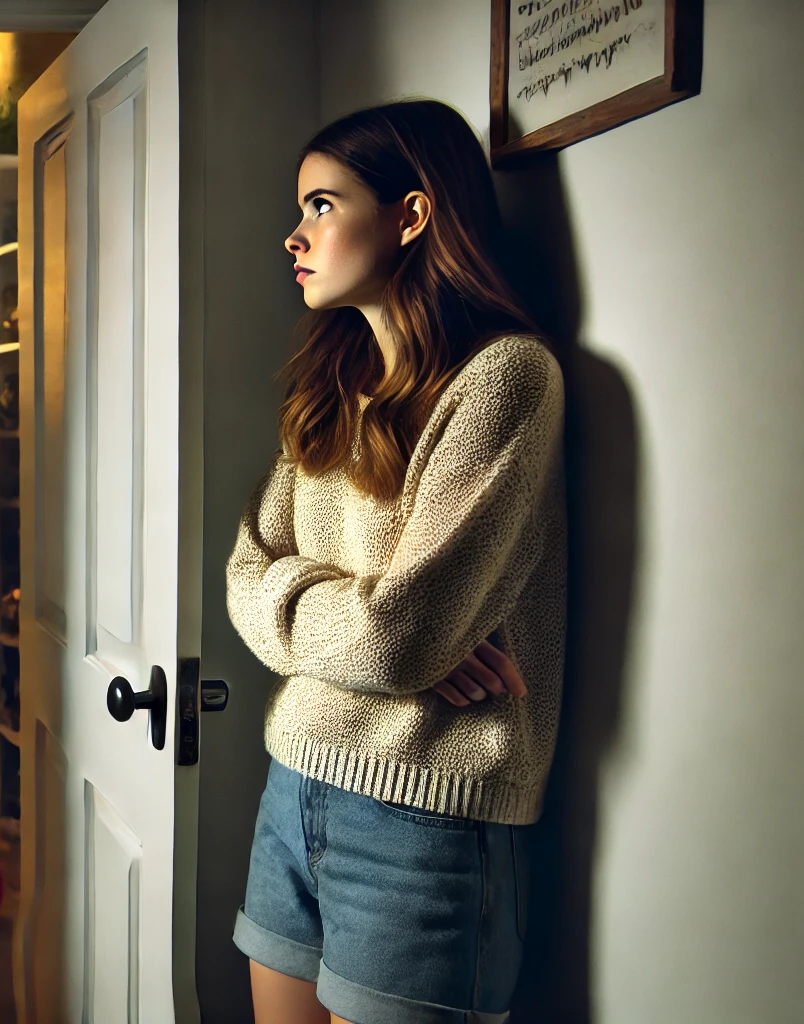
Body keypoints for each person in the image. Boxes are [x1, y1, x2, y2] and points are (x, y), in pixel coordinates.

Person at [224, 100, 566, 1024]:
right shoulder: (331, 389)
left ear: (412, 217)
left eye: (323, 206)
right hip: (293, 786)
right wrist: (371, 620)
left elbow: (397, 640)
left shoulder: (505, 380)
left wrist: (380, 627)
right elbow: (244, 579)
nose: (295, 236)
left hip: (428, 822)